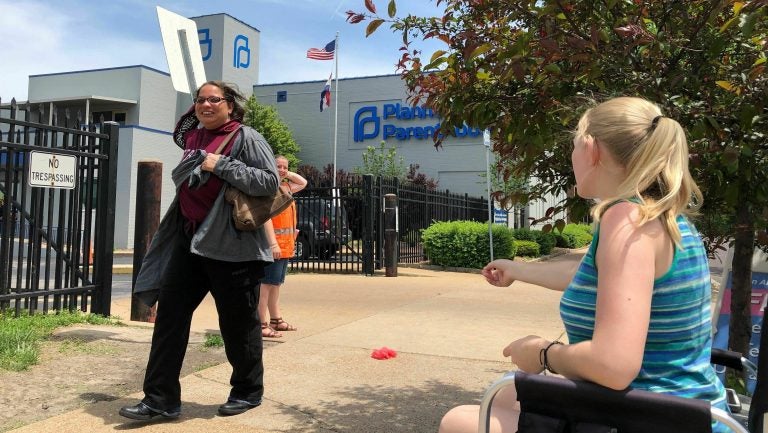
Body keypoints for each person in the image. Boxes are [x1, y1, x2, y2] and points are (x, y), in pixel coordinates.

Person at [438, 96, 729, 433]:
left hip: (649, 418)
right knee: (507, 398)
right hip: (683, 411)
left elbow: (614, 364)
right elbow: (602, 277)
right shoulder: (660, 216)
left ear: (591, 149)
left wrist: (543, 353)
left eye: (574, 145)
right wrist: (518, 270)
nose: (572, 156)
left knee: (459, 422)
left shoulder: (625, 219)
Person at [119, 80, 279, 421]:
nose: (206, 105)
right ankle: (160, 399)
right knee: (170, 319)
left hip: (233, 247)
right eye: (200, 100)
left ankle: (247, 390)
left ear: (230, 105)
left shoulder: (246, 137)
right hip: (189, 241)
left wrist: (218, 164)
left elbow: (268, 183)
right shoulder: (193, 139)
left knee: (238, 324)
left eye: (214, 100)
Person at [260, 155, 307, 338]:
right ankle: (261, 323)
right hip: (274, 246)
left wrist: (286, 173)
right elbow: (266, 218)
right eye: (277, 166)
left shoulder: (286, 187)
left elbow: (303, 182)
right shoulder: (268, 189)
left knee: (275, 284)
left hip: (286, 246)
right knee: (265, 285)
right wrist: (273, 244)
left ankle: (276, 320)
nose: (281, 169)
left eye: (284, 167)